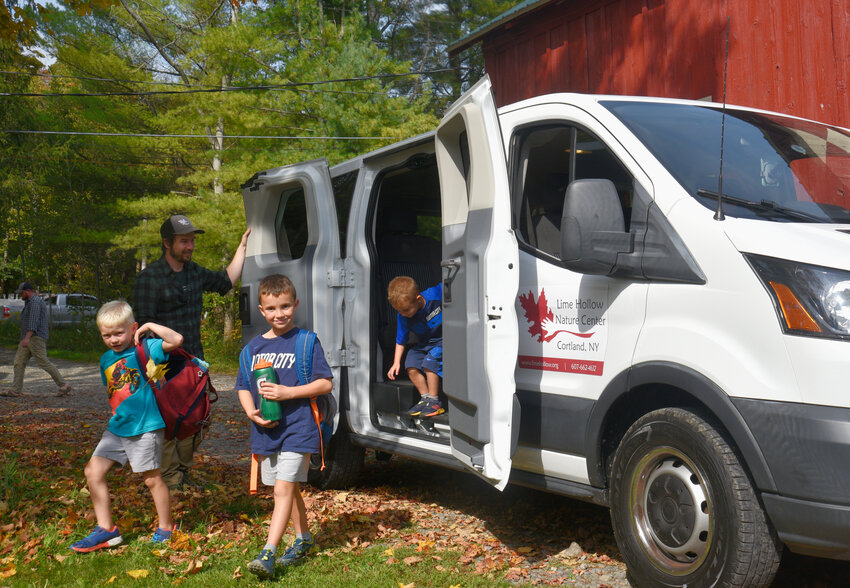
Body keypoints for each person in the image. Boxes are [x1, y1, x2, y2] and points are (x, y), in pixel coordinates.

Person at [132, 214, 250, 490]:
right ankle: (170, 479)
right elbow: (144, 330)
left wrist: (242, 248)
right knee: (166, 424)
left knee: (196, 421)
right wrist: (152, 372)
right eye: (184, 241)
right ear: (167, 243)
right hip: (162, 364)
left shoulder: (194, 272)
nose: (191, 246)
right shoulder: (149, 279)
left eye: (192, 240)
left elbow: (226, 282)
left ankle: (181, 472)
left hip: (194, 363)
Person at [236, 274, 332, 580]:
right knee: (287, 490)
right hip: (267, 431)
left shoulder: (306, 341)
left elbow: (325, 383)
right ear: (262, 311)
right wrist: (251, 411)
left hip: (299, 428)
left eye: (286, 306)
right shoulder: (251, 348)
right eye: (273, 308)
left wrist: (288, 393)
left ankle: (268, 552)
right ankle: (304, 539)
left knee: (282, 489)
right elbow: (242, 385)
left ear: (296, 304)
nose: (280, 313)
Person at [70, 301, 182, 553]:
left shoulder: (145, 348)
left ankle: (166, 527)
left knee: (152, 479)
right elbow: (113, 390)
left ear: (132, 328)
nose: (113, 340)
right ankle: (106, 530)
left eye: (118, 333)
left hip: (145, 426)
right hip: (117, 427)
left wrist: (150, 327)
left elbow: (176, 340)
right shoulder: (105, 359)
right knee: (93, 472)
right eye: (106, 335)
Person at [1, 281, 72, 398]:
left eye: (21, 293)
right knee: (19, 362)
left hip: (34, 338)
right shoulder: (31, 302)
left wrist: (27, 338)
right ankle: (15, 390)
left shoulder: (34, 302)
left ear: (28, 291)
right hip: (29, 337)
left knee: (43, 362)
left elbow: (33, 322)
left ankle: (63, 384)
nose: (20, 295)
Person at [386, 276, 444, 417]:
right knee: (411, 365)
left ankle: (435, 402)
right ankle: (425, 398)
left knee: (430, 362)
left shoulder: (435, 295)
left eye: (405, 310)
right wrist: (396, 363)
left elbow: (452, 284)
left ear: (418, 299)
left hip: (444, 340)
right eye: (399, 311)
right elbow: (401, 340)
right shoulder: (403, 317)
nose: (402, 314)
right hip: (425, 344)